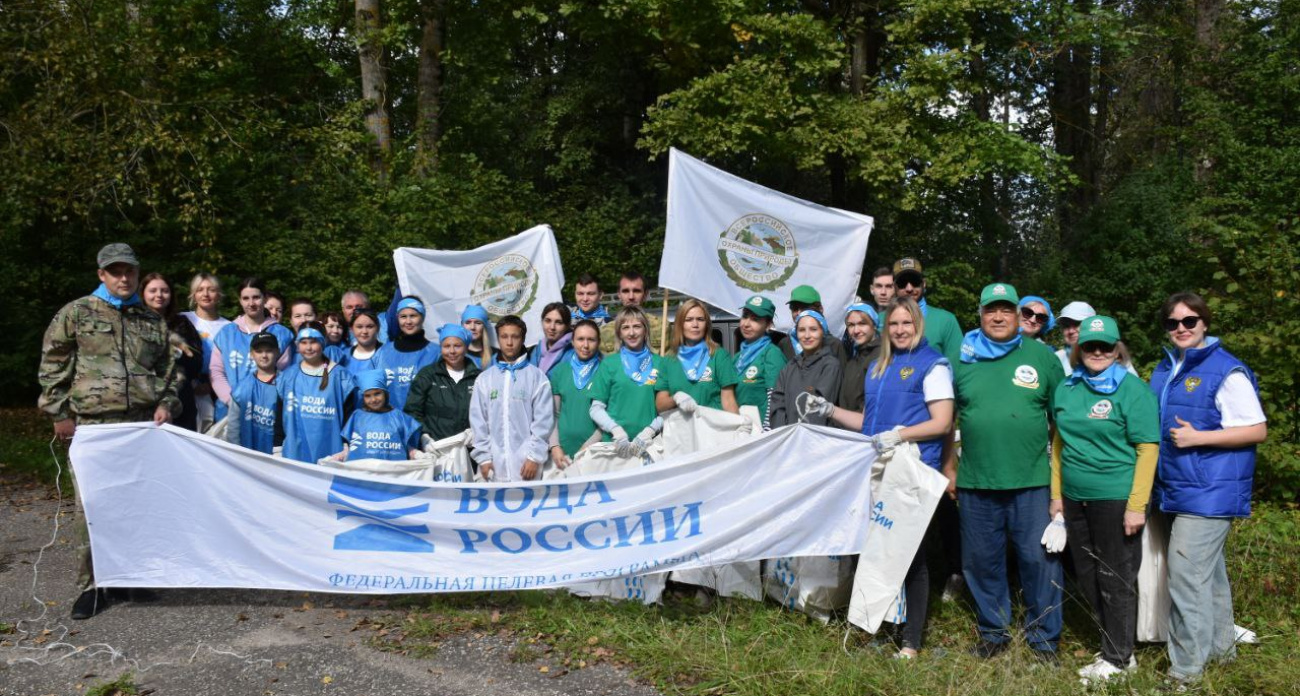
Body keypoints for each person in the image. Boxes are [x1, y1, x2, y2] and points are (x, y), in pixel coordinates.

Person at [37, 243, 179, 620]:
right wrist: (58, 411)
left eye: (129, 271)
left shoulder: (150, 321)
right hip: (94, 427)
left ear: (137, 272)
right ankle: (94, 586)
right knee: (93, 508)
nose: (123, 277)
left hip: (141, 425)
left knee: (138, 503)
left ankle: (132, 576)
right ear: (101, 274)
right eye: (114, 271)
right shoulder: (77, 313)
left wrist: (167, 403)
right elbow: (54, 361)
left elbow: (169, 370)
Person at [811, 297, 954, 657]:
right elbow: (870, 425)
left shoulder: (932, 364)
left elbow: (942, 422)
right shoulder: (877, 366)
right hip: (876, 471)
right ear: (885, 328)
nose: (901, 330)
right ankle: (883, 629)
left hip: (913, 472)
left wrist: (901, 434)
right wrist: (831, 411)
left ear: (918, 325)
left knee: (910, 557)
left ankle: (911, 641)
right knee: (875, 553)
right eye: (894, 324)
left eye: (907, 323)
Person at [944, 283, 1065, 661]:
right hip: (976, 479)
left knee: (1038, 560)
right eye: (990, 310)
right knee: (981, 561)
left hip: (1031, 480)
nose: (998, 317)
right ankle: (993, 632)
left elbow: (1063, 418)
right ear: (980, 314)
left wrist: (1061, 481)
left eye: (1006, 310)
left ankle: (1044, 638)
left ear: (1017, 315)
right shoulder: (962, 356)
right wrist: (949, 465)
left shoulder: (1042, 357)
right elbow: (947, 418)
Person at [1150, 292, 1266, 685]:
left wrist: (1199, 438)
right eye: (1173, 323)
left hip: (1210, 489)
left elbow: (1256, 429)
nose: (1181, 328)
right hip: (1176, 488)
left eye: (1190, 321)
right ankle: (1220, 654)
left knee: (1185, 577)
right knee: (1208, 575)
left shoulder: (1225, 369)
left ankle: (1186, 673)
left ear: (1205, 323)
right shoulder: (1165, 370)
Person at [1049, 316, 1160, 683]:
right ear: (1078, 350)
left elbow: (1147, 449)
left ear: (1117, 350)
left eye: (1105, 347)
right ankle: (1112, 644)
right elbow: (1060, 446)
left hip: (1115, 497)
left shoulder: (1132, 390)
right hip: (1074, 496)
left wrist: (1136, 505)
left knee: (1115, 577)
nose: (1097, 352)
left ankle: (1118, 657)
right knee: (1086, 575)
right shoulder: (1066, 388)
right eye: (1090, 346)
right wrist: (1057, 497)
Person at [469, 316, 554, 482]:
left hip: (526, 467)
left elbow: (543, 422)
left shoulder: (537, 377)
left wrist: (534, 457)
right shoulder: (485, 379)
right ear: (497, 339)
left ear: (522, 339)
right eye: (504, 336)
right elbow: (478, 422)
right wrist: (484, 459)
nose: (509, 342)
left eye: (515, 337)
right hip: (493, 466)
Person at [210, 278, 294, 423]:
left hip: (266, 412)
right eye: (246, 298)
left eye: (256, 297)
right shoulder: (226, 333)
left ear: (265, 298)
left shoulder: (282, 335)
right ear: (240, 300)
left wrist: (260, 404)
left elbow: (284, 376)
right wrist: (232, 402)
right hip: (228, 411)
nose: (251, 303)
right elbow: (216, 371)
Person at [589, 306, 666, 456]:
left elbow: (669, 411)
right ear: (619, 333)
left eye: (637, 326)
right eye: (625, 328)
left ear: (645, 330)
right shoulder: (609, 364)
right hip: (614, 447)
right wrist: (615, 430)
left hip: (649, 447)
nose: (631, 333)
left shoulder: (661, 364)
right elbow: (596, 409)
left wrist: (650, 431)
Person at [278, 322, 356, 463]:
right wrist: (277, 446)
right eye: (304, 342)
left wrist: (346, 445)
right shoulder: (288, 376)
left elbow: (350, 416)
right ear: (297, 345)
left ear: (322, 342)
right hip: (294, 453)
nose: (308, 347)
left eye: (313, 342)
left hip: (332, 453)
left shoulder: (340, 376)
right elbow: (278, 415)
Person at [141, 272, 204, 431]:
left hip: (181, 399)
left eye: (164, 290)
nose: (159, 295)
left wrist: (178, 353)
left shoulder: (182, 323)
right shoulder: (132, 323)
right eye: (153, 290)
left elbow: (196, 362)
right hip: (144, 400)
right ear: (143, 294)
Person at [657, 299, 740, 415]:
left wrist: (737, 425)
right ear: (680, 325)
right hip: (681, 430)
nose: (695, 325)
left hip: (713, 429)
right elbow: (660, 405)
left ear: (706, 324)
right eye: (689, 320)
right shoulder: (668, 359)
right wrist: (675, 399)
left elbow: (728, 401)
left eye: (700, 319)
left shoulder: (719, 356)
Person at [406, 324, 481, 442]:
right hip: (436, 449)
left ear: (466, 348)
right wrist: (423, 436)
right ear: (441, 347)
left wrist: (477, 432)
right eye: (446, 346)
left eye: (457, 346)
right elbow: (413, 411)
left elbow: (487, 413)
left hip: (469, 449)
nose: (452, 351)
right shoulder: (428, 375)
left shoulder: (478, 377)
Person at [768, 310, 842, 428]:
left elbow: (820, 409)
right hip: (788, 440)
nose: (807, 335)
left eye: (813, 329)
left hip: (815, 440)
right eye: (802, 330)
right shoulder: (789, 367)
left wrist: (803, 437)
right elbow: (777, 405)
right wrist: (784, 434)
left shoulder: (830, 365)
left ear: (823, 332)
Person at [179, 272, 231, 431]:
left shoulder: (229, 327)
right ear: (194, 295)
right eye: (200, 289)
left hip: (217, 387)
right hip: (185, 385)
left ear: (219, 294)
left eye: (211, 289)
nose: (205, 294)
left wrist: (211, 384)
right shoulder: (183, 319)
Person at [549, 319, 603, 467]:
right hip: (562, 455)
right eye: (580, 339)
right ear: (572, 342)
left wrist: (587, 448)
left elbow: (609, 418)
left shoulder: (606, 371)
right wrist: (554, 446)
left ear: (598, 342)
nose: (585, 345)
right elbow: (553, 414)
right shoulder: (560, 371)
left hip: (594, 453)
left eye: (591, 340)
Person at [337, 369, 423, 461]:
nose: (373, 399)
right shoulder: (356, 417)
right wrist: (340, 456)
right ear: (363, 397)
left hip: (392, 473)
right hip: (360, 473)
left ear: (385, 393)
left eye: (377, 393)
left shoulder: (400, 417)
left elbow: (408, 447)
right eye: (368, 396)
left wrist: (417, 454)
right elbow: (348, 447)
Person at [374, 296, 441, 411]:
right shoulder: (383, 353)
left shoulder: (436, 353)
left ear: (422, 317)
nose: (408, 321)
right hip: (392, 424)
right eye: (403, 316)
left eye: (413, 316)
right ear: (397, 318)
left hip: (426, 424)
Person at [892, 258, 963, 365]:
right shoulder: (881, 320)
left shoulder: (946, 320)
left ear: (924, 283)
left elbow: (958, 368)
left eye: (915, 282)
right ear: (894, 286)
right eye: (902, 283)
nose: (909, 288)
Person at [224, 330, 283, 454]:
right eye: (259, 351)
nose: (264, 355)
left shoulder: (288, 385)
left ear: (277, 352)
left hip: (278, 453)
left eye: (269, 350)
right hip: (247, 454)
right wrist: (236, 453)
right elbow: (233, 428)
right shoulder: (241, 389)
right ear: (251, 354)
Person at [778, 285, 847, 366]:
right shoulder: (785, 344)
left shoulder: (834, 345)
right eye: (794, 308)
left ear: (820, 309)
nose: (799, 313)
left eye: (804, 308)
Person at [599, 272, 665, 354]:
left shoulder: (662, 327)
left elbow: (670, 363)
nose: (631, 297)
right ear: (619, 294)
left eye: (636, 291)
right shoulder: (605, 332)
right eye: (625, 291)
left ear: (645, 294)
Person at [838, 303, 881, 411]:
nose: (856, 330)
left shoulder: (881, 356)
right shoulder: (854, 356)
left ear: (874, 325)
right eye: (851, 325)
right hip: (846, 425)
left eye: (862, 324)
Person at [528, 302, 574, 374]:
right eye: (548, 321)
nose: (552, 327)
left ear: (567, 325)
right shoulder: (536, 350)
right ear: (542, 322)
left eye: (558, 322)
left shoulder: (573, 354)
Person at [1055, 301, 1096, 374]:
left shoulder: (1107, 358)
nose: (1071, 331)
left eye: (1077, 324)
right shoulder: (1055, 359)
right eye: (1066, 325)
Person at [339, 309, 383, 375]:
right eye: (359, 327)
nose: (364, 331)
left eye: (370, 327)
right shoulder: (343, 356)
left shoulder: (387, 353)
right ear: (351, 329)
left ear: (377, 328)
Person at [461, 304, 496, 368]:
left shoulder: (496, 355)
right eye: (468, 322)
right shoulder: (455, 355)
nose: (472, 327)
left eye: (478, 323)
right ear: (462, 326)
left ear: (484, 327)